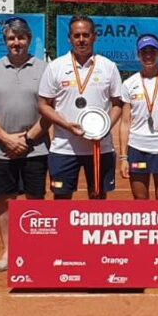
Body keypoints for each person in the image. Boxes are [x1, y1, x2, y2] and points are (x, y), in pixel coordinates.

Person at [0, 18, 50, 272]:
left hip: (36, 146)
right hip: (0, 147)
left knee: (35, 199)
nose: (16, 43)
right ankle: (11, 251)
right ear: (5, 41)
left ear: (29, 40)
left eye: (20, 38)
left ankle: (35, 250)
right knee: (6, 200)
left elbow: (49, 110)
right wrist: (6, 138)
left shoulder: (44, 70)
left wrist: (27, 138)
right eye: (11, 38)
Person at [38, 16, 124, 200]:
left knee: (98, 199)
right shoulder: (55, 67)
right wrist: (67, 125)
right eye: (77, 35)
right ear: (69, 38)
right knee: (62, 199)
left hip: (100, 147)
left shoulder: (108, 67)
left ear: (95, 37)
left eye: (86, 34)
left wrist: (105, 127)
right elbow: (43, 105)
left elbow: (118, 104)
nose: (81, 39)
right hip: (64, 148)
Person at [119, 34, 158, 200]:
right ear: (138, 54)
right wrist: (123, 157)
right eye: (144, 52)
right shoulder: (129, 84)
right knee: (141, 202)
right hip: (137, 149)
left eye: (152, 51)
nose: (148, 55)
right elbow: (125, 122)